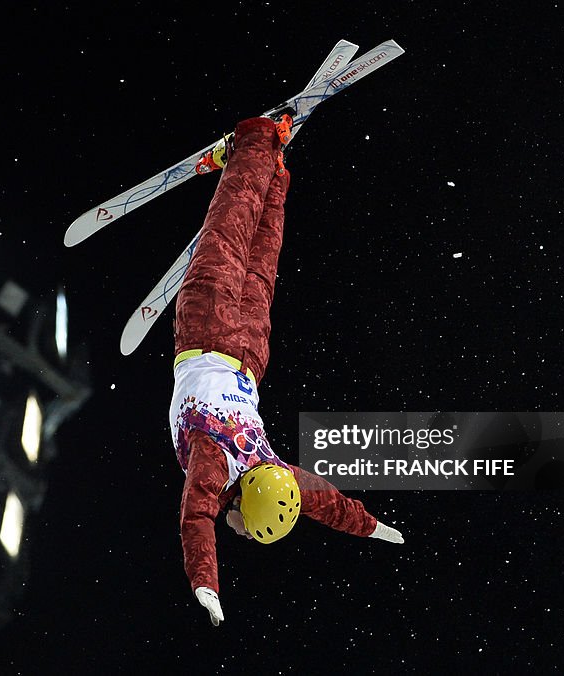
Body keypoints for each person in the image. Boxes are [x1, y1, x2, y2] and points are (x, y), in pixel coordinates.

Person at [169, 111, 406, 627]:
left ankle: (272, 169)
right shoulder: (212, 466)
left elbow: (325, 502)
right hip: (205, 329)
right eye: (246, 530)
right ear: (246, 507)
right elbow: (196, 522)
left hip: (251, 352)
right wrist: (204, 584)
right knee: (227, 234)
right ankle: (253, 144)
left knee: (261, 256)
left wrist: (372, 528)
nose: (238, 532)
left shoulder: (276, 471)